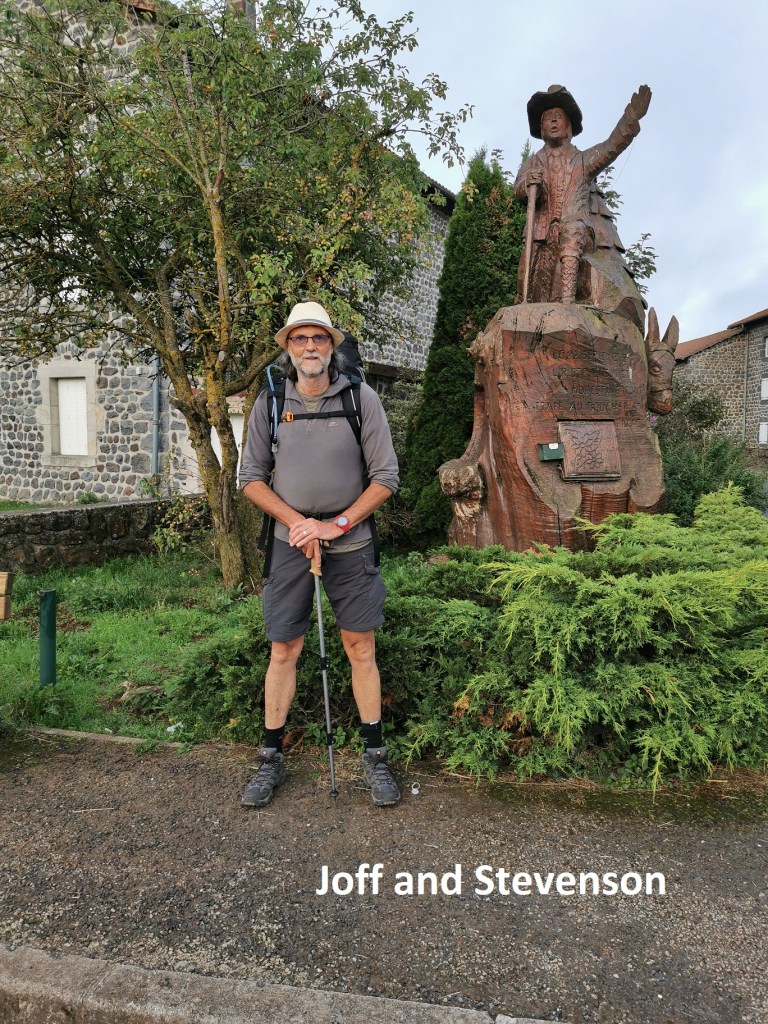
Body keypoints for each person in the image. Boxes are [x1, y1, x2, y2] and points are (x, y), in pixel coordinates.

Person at [238, 301, 400, 808]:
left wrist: (335, 524)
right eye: (300, 338)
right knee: (283, 648)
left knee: (360, 647)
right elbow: (250, 478)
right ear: (288, 347)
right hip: (290, 544)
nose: (310, 347)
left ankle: (375, 755)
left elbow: (385, 477)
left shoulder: (360, 398)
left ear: (332, 345)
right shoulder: (269, 402)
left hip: (351, 541)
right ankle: (270, 757)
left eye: (319, 338)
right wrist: (299, 524)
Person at [515, 83, 651, 305]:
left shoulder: (583, 160)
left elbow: (611, 146)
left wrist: (631, 117)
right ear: (541, 128)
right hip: (541, 233)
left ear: (569, 126)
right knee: (532, 280)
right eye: (548, 118)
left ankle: (568, 302)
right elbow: (519, 189)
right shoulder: (533, 162)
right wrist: (528, 184)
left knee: (573, 229)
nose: (553, 121)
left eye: (559, 116)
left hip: (575, 231)